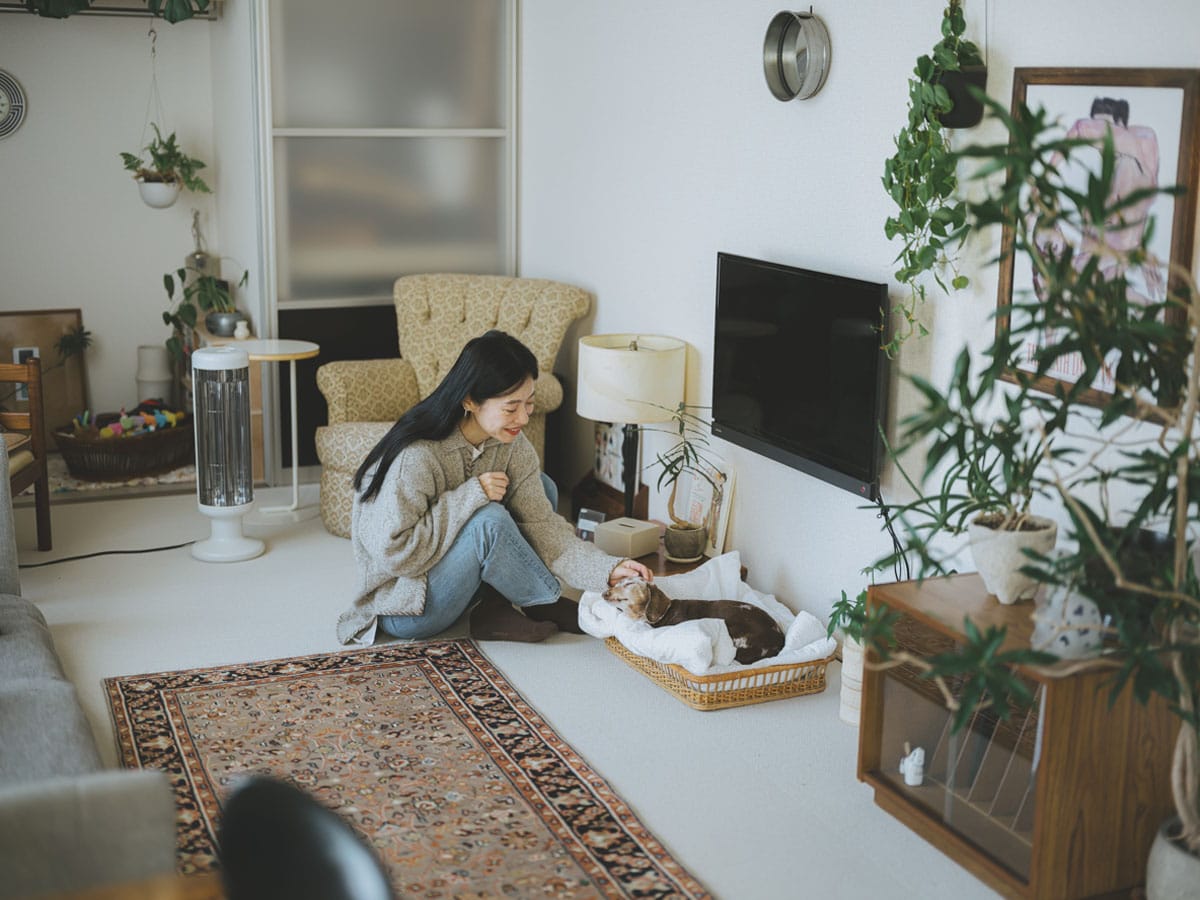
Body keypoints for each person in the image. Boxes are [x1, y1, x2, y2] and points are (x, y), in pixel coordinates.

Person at [337, 329, 654, 645]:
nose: (523, 418)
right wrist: (469, 497)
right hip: (406, 605)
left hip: (457, 579)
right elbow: (396, 555)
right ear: (470, 400)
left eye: (529, 404)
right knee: (489, 519)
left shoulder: (512, 446)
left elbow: (545, 529)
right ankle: (545, 603)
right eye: (510, 407)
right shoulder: (417, 457)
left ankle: (493, 609)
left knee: (542, 489)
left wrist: (606, 570)